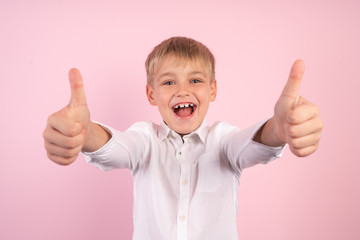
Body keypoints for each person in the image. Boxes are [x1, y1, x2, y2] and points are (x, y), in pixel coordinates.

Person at [43, 37, 323, 240]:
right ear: (152, 94)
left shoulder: (223, 139)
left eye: (196, 80)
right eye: (168, 82)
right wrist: (83, 133)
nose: (182, 90)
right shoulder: (145, 139)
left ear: (212, 90)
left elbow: (253, 143)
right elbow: (118, 146)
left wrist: (280, 129)